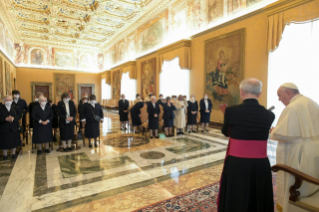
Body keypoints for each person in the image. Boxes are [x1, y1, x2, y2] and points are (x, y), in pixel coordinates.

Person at [218, 78, 275, 212]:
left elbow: (226, 132)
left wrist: (226, 117)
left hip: (237, 163)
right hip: (260, 163)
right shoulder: (270, 115)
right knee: (258, 195)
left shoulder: (231, 111)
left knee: (236, 195)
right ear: (260, 94)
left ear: (241, 92)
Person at [270, 83, 319, 212]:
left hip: (298, 153)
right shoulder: (311, 103)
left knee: (292, 180)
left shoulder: (293, 107)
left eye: (279, 96)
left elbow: (283, 134)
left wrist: (273, 131)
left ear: (288, 93)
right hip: (313, 151)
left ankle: (290, 207)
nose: (279, 99)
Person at [0, 95, 22, 160]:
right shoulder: (0, 108)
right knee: (4, 141)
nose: (8, 101)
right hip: (4, 127)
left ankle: (13, 153)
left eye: (9, 100)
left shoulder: (15, 107)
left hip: (14, 127)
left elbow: (20, 115)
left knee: (14, 141)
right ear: (3, 101)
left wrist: (14, 118)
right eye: (7, 100)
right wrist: (5, 119)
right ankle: (5, 154)